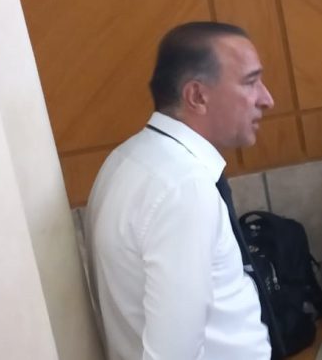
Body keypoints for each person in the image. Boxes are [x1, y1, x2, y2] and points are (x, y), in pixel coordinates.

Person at [86, 21, 275, 359]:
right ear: (197, 96)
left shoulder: (127, 158)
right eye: (251, 82)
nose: (267, 99)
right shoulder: (183, 187)